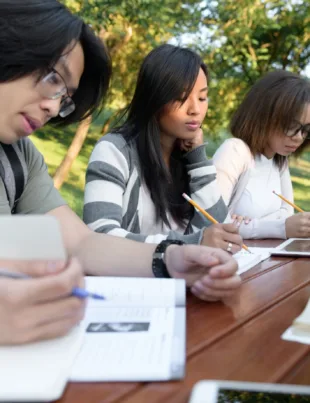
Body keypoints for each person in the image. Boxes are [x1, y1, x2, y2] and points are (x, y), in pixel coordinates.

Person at [0, 1, 241, 345]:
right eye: (53, 77)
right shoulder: (116, 150)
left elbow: (81, 243)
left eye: (65, 96)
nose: (53, 107)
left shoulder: (21, 156)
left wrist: (171, 259)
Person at [83, 44, 243, 254]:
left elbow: (220, 229)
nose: (195, 109)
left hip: (184, 280)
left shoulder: (188, 158)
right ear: (154, 98)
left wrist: (198, 160)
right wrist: (192, 243)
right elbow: (100, 235)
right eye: (181, 98)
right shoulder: (114, 151)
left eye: (202, 98)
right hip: (128, 281)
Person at [213, 70, 310, 239]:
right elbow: (211, 223)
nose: (298, 137)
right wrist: (277, 227)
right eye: (291, 126)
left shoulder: (279, 161)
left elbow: (287, 213)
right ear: (264, 115)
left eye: (306, 130)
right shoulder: (235, 151)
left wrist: (251, 224)